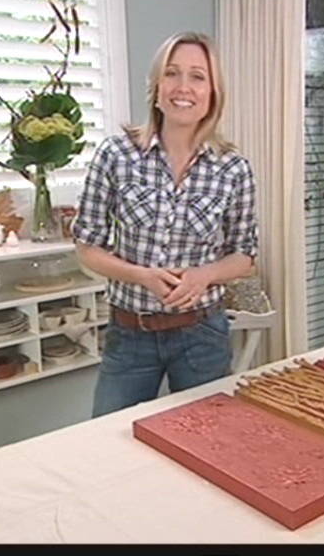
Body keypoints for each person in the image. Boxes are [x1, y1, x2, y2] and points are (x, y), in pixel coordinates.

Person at [72, 32, 258, 417]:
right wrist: (141, 276)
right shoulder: (116, 155)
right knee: (108, 438)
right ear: (156, 87)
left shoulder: (233, 169)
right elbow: (87, 248)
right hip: (129, 334)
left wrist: (204, 275)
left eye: (198, 76)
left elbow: (244, 256)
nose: (183, 87)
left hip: (202, 335)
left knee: (207, 441)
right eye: (172, 73)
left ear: (213, 93)